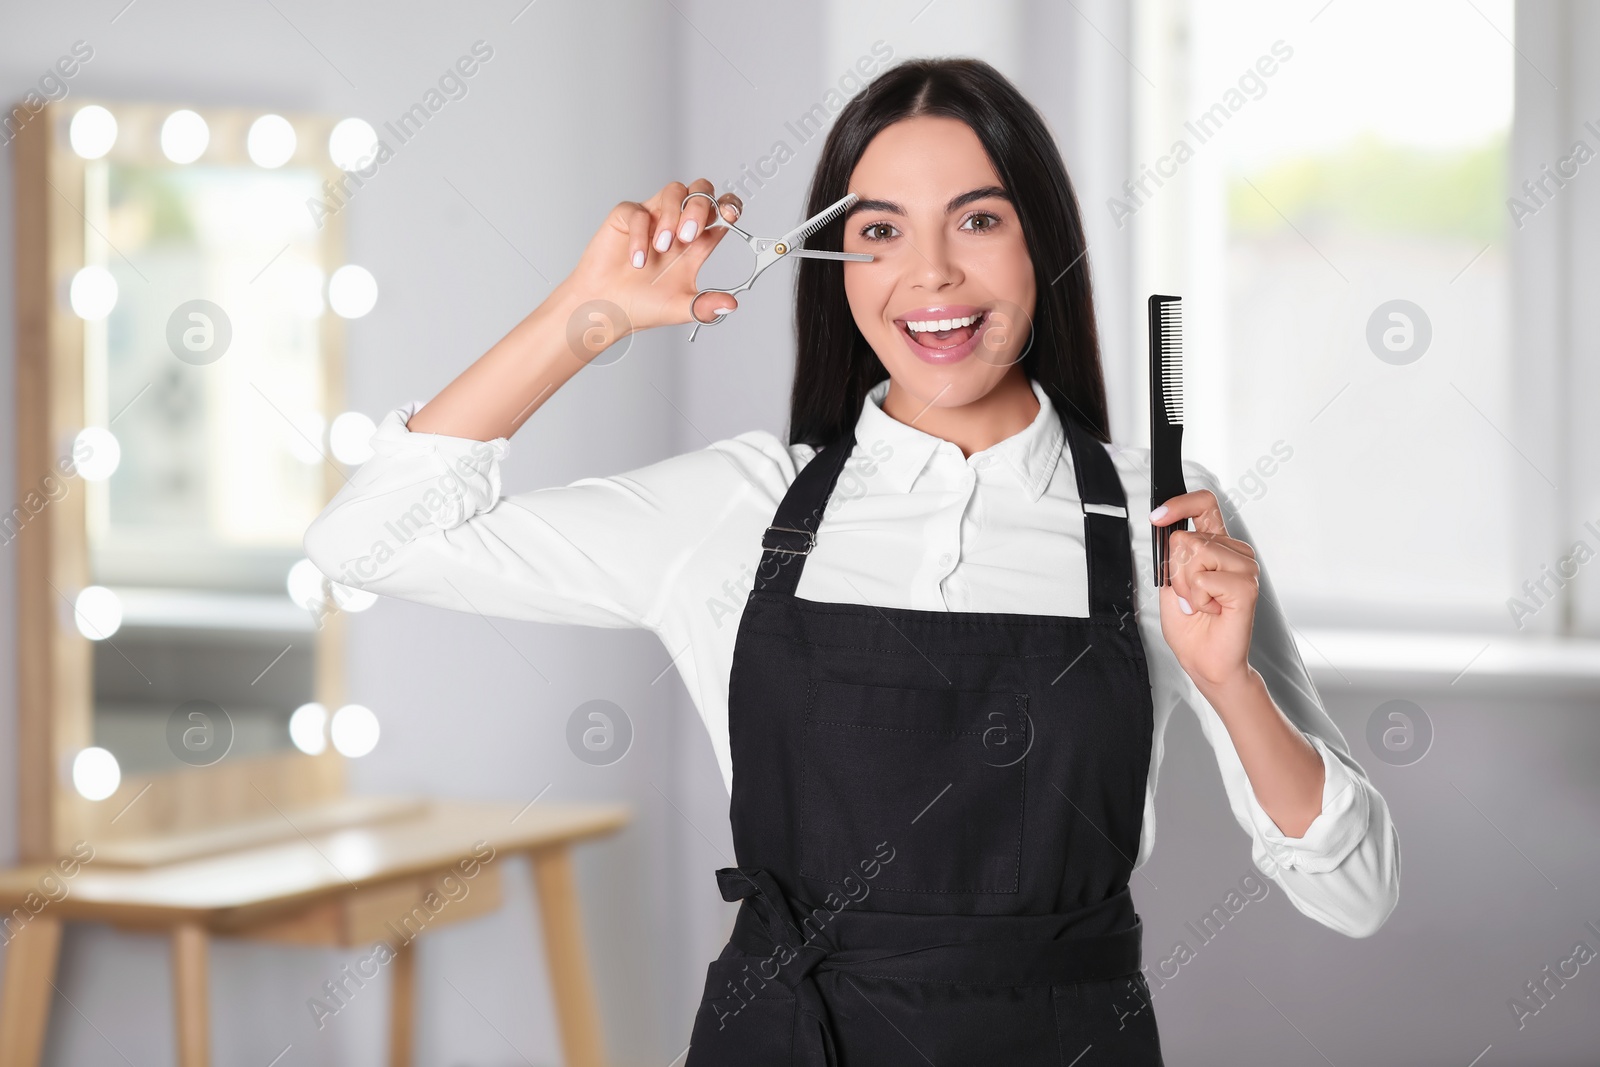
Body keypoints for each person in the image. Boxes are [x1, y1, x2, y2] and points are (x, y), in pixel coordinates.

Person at [304, 56, 1399, 1066]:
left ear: (1043, 245)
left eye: (976, 219)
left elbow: (1357, 896)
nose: (929, 273)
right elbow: (365, 539)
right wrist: (583, 317)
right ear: (836, 260)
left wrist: (1230, 681)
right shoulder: (737, 509)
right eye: (879, 231)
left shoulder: (1162, 520)